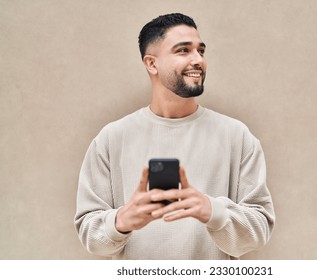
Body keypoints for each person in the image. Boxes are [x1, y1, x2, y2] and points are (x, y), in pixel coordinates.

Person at [74, 13, 275, 260]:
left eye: (200, 51)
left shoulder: (237, 136)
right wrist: (122, 221)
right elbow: (90, 235)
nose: (198, 60)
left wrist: (213, 211)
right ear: (151, 64)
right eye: (183, 51)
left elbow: (259, 230)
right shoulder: (112, 138)